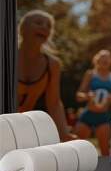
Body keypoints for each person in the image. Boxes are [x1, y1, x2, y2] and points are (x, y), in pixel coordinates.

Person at [17, 10, 76, 141]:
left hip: (21, 128)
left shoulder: (52, 65)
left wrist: (64, 133)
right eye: (38, 23)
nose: (44, 27)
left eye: (48, 26)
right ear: (23, 29)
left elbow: (54, 104)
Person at [75, 50, 111, 156]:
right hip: (87, 115)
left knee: (105, 152)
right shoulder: (90, 74)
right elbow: (78, 95)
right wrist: (88, 95)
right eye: (102, 57)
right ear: (97, 60)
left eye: (108, 57)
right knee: (76, 149)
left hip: (103, 117)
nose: (105, 59)